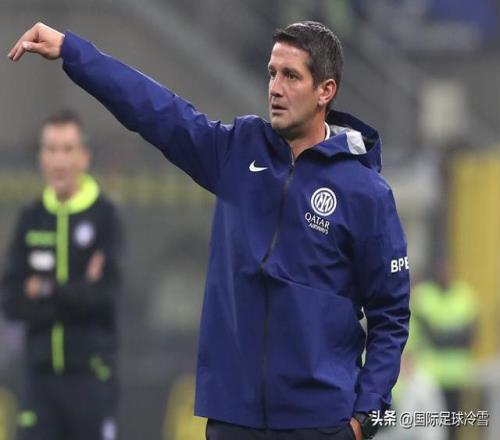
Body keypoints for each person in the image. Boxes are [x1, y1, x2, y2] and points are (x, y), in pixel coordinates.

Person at [8, 21, 410, 440]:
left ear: (325, 90)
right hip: (233, 419)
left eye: (291, 76)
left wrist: (364, 420)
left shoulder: (365, 192)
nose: (275, 88)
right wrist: (73, 51)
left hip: (320, 422)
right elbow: (156, 109)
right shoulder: (238, 152)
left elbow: (391, 315)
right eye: (272, 73)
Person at [1, 110, 123, 440]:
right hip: (38, 381)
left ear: (84, 156)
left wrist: (43, 289)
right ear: (40, 156)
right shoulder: (30, 218)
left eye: (68, 149)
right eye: (51, 149)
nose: (59, 160)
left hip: (91, 378)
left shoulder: (105, 217)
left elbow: (104, 296)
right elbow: (11, 301)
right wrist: (76, 289)